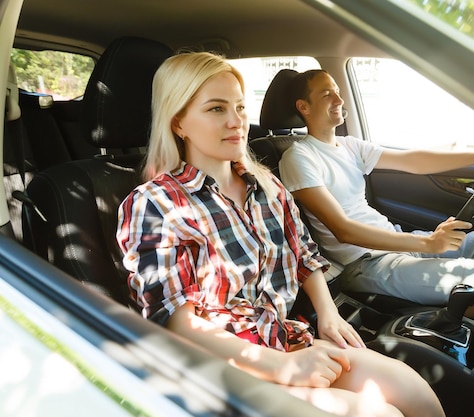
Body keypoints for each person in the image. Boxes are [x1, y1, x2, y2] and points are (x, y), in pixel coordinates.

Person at [116, 52, 445, 417]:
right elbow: (179, 322)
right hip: (218, 366)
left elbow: (304, 255)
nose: (236, 122)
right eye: (216, 109)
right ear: (178, 123)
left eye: (240, 108)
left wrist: (328, 314)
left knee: (417, 395)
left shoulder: (266, 185)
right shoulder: (155, 203)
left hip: (285, 340)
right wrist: (282, 368)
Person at [279, 69, 474, 326]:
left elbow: (413, 161)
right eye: (326, 94)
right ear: (303, 107)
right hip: (365, 263)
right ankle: (430, 333)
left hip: (396, 242)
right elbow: (343, 230)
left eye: (339, 93)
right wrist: (429, 244)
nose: (339, 101)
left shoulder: (349, 146)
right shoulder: (299, 157)